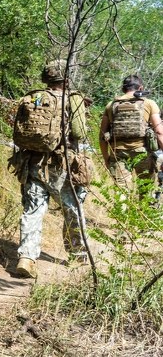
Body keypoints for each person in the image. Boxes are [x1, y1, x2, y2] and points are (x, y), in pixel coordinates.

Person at [10, 60, 88, 279]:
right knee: (72, 208)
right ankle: (79, 255)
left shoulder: (33, 97)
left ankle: (26, 257)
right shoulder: (73, 99)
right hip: (59, 165)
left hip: (31, 162)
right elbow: (80, 132)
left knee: (33, 210)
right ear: (66, 78)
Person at [99, 75, 163, 193]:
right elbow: (159, 132)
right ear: (141, 88)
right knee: (146, 192)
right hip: (143, 153)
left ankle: (122, 211)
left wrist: (106, 158)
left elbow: (102, 136)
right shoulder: (149, 103)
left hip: (118, 153)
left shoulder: (111, 105)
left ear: (123, 89)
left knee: (122, 193)